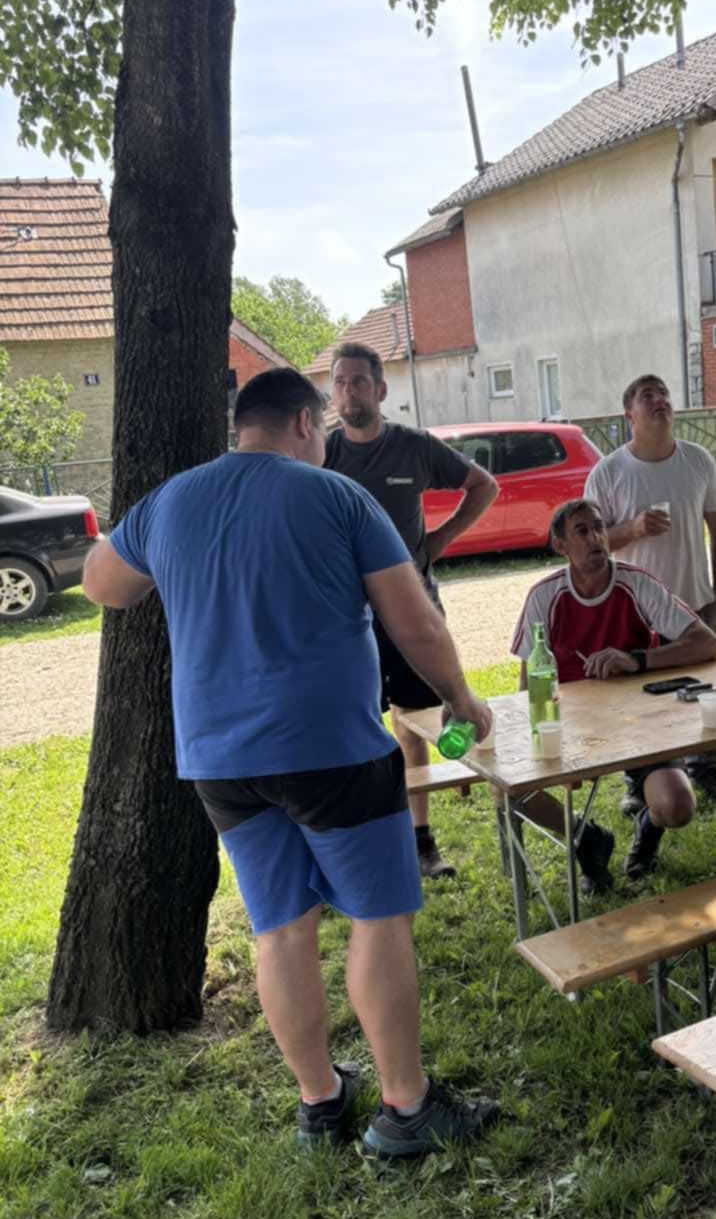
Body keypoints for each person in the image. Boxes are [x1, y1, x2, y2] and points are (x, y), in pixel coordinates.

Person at [82, 368, 498, 1161]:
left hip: (220, 761)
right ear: (306, 424)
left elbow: (105, 586)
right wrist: (463, 701)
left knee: (280, 932)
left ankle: (320, 1102)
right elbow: (414, 623)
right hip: (333, 751)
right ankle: (406, 1110)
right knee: (379, 919)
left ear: (245, 426)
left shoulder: (172, 501)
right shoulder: (339, 498)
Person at [324, 341, 499, 880]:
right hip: (346, 619)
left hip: (413, 611)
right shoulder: (322, 454)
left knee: (421, 723)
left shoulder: (415, 448)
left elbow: (483, 485)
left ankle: (422, 840)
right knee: (353, 729)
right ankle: (360, 847)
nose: (349, 391)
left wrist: (439, 541)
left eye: (359, 381)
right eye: (340, 382)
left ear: (380, 389)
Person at [509, 498, 716, 890]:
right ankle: (587, 839)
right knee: (511, 788)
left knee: (677, 808)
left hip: (640, 718)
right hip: (571, 723)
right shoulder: (545, 595)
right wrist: (535, 741)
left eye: (599, 528)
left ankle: (648, 828)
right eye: (582, 531)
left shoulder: (636, 583)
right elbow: (528, 686)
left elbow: (707, 644)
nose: (595, 538)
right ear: (561, 546)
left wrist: (637, 659)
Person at [584, 372, 716, 810]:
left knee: (703, 691)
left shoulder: (697, 461)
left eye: (664, 394)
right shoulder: (609, 472)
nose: (660, 401)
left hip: (694, 602)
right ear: (629, 414)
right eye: (647, 396)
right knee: (639, 698)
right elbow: (590, 547)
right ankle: (639, 783)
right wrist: (631, 529)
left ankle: (708, 769)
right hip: (634, 613)